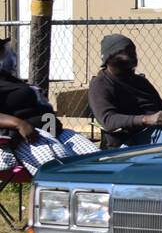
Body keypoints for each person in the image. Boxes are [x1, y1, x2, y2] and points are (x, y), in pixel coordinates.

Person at [0, 37, 98, 173]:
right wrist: (19, 123)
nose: (8, 55)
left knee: (98, 161)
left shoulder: (11, 80)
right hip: (28, 136)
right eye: (2, 51)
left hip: (54, 130)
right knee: (60, 167)